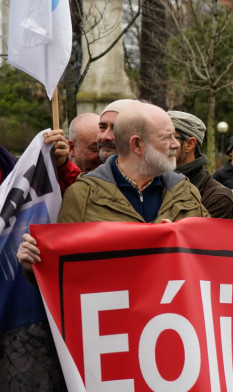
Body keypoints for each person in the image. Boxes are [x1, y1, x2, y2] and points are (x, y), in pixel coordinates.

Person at [18, 103, 208, 272]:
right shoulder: (83, 195)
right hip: (113, 310)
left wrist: (182, 241)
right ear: (137, 144)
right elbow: (63, 272)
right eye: (167, 138)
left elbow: (212, 257)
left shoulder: (186, 192)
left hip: (170, 311)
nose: (175, 145)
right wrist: (34, 264)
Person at [168, 110, 233, 219]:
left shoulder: (217, 197)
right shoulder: (150, 183)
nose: (159, 144)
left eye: (168, 137)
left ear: (189, 145)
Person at [97, 98, 140, 163]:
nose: (105, 136)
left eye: (116, 128)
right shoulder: (95, 173)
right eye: (103, 127)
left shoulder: (156, 172)